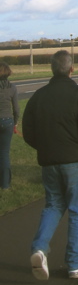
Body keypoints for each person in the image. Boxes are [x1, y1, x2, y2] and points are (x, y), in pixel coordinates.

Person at [22, 50, 78, 281]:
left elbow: (29, 132)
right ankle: (74, 263)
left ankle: (39, 247)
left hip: (50, 161)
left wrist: (45, 149)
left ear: (51, 69)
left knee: (53, 205)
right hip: (76, 160)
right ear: (71, 69)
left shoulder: (38, 97)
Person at [0, 62, 20, 190]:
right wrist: (15, 122)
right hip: (8, 121)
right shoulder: (12, 88)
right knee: (4, 153)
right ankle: (5, 184)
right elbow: (16, 109)